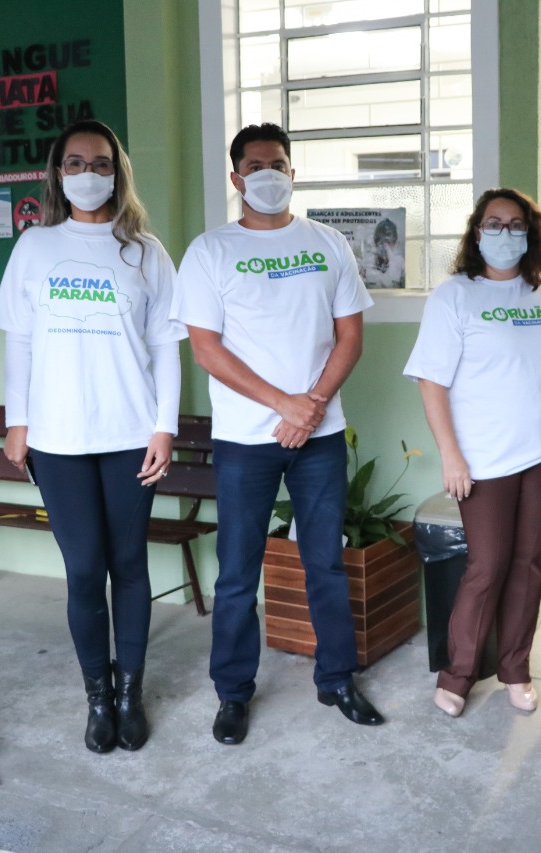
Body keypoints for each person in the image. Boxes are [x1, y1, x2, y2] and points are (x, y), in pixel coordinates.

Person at [172, 122, 383, 745]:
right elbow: (206, 350)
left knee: (326, 563)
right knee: (238, 571)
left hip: (319, 434)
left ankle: (337, 677)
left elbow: (351, 336)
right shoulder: (209, 251)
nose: (269, 174)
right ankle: (233, 692)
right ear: (236, 178)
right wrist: (284, 405)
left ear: (294, 173)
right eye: (256, 165)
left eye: (279, 164)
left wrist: (311, 405)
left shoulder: (328, 243)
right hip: (245, 439)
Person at [0, 120, 185, 753]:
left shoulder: (146, 252)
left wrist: (164, 426)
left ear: (118, 171)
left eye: (99, 162)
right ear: (57, 173)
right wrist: (16, 422)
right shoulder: (35, 246)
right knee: (83, 569)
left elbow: (167, 347)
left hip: (131, 432)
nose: (87, 173)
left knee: (129, 566)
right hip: (57, 438)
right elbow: (17, 341)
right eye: (74, 163)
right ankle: (97, 699)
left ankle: (131, 695)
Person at [404, 188, 541, 718]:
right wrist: (451, 457)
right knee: (488, 564)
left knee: (527, 563)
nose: (505, 233)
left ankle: (516, 669)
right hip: (483, 459)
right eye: (493, 223)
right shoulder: (454, 296)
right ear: (477, 233)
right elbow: (431, 382)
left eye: (516, 224)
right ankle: (457, 674)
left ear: (532, 233)